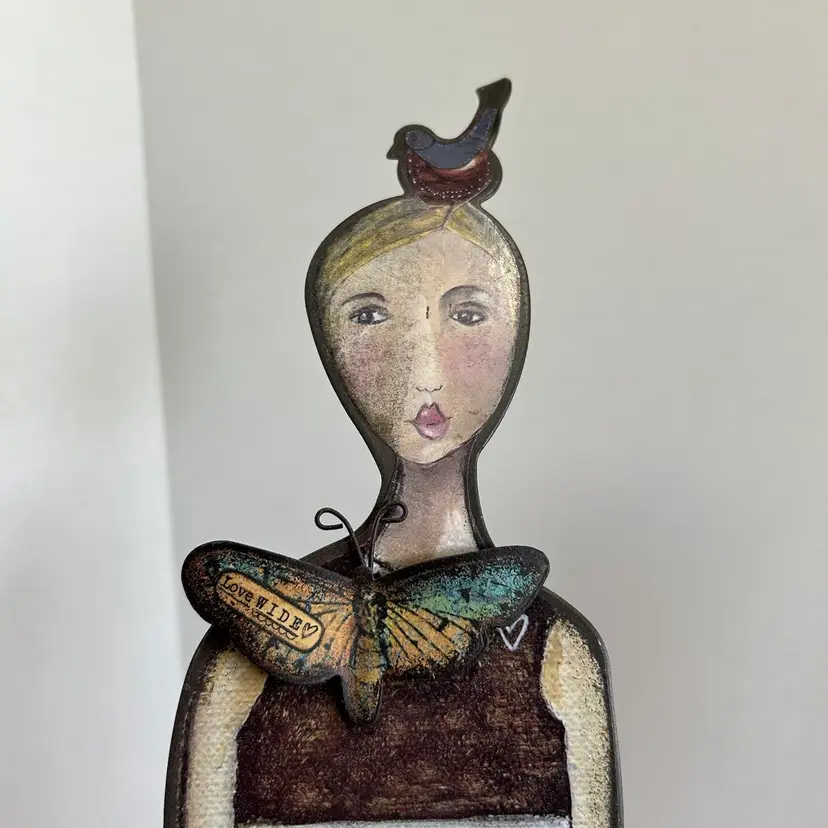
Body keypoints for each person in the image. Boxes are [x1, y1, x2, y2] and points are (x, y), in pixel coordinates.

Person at [166, 85, 621, 828]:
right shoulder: (243, 665)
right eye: (371, 315)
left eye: (468, 314)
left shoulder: (551, 651)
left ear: (514, 334)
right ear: (329, 340)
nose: (425, 371)